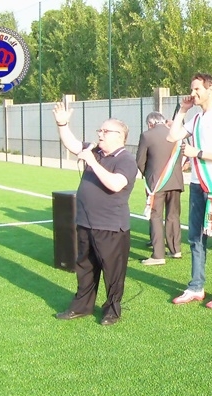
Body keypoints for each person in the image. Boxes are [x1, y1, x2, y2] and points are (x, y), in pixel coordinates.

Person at [52, 103, 138, 326]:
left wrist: (92, 162)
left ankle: (112, 310)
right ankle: (81, 306)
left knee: (112, 272)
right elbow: (72, 144)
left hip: (111, 227)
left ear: (119, 136)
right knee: (85, 268)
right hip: (85, 223)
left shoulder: (126, 160)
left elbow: (116, 184)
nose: (100, 134)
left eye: (105, 131)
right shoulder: (95, 151)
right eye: (100, 130)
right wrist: (62, 124)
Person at [168, 73, 212, 309]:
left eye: (197, 89)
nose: (193, 93)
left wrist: (197, 153)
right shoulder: (197, 118)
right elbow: (172, 136)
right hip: (198, 184)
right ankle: (196, 286)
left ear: (210, 89)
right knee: (195, 237)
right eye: (192, 88)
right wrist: (182, 110)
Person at [136, 111, 184, 265]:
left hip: (156, 183)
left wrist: (148, 175)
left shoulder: (147, 135)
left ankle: (158, 255)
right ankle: (175, 249)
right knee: (173, 215)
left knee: (155, 216)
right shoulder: (176, 134)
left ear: (150, 123)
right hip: (175, 181)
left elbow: (140, 160)